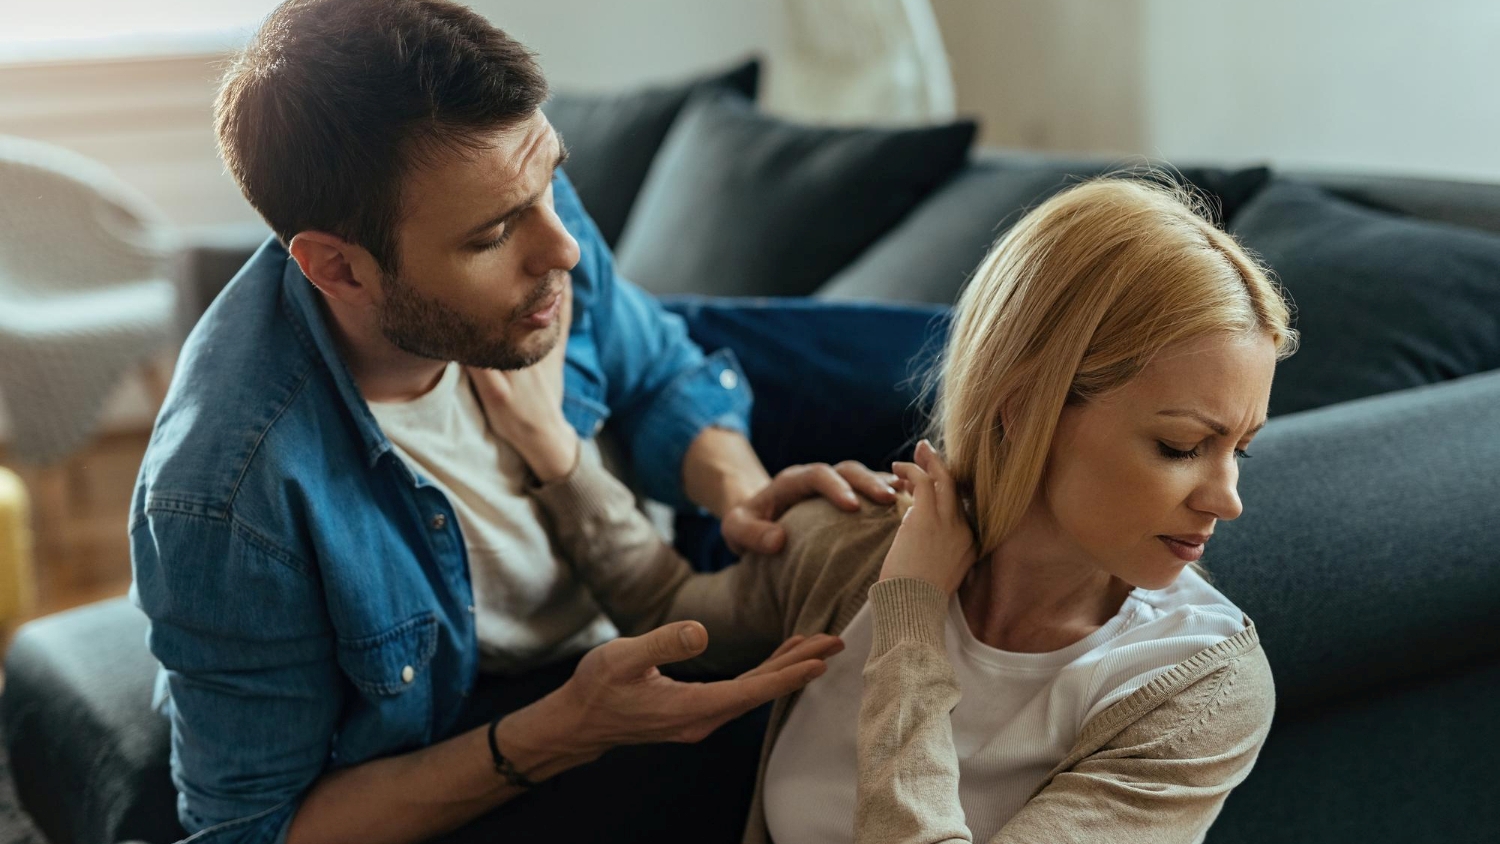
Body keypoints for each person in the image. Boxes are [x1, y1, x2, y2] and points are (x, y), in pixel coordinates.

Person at [129, 1, 896, 842]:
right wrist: (566, 730)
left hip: (647, 573)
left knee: (954, 366)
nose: (563, 249)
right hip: (508, 716)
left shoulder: (527, 205)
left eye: (550, 185)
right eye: (493, 234)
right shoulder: (230, 497)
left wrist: (744, 501)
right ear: (338, 269)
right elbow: (252, 828)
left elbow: (659, 372)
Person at [480, 175, 1297, 843]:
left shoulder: (1196, 689)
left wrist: (911, 618)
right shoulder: (862, 543)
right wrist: (558, 455)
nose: (1227, 498)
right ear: (1024, 411)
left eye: (1241, 448)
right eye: (1183, 446)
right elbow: (670, 608)